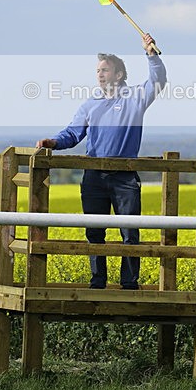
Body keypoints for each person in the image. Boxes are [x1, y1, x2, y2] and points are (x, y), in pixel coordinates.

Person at [36, 33, 167, 289]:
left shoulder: (135, 98)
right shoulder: (90, 105)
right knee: (94, 231)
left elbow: (158, 81)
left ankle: (129, 283)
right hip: (94, 177)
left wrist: (151, 55)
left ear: (119, 75)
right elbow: (72, 134)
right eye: (97, 70)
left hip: (125, 177)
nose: (99, 74)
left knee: (129, 232)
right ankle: (98, 282)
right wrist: (53, 142)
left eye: (105, 70)